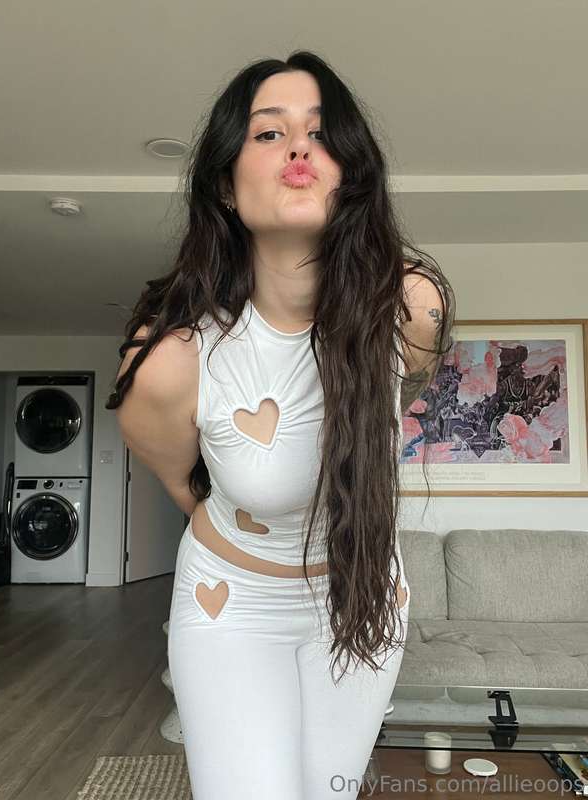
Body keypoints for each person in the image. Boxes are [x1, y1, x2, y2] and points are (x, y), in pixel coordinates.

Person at [107, 50, 455, 800]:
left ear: (351, 174)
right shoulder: (169, 361)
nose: (299, 148)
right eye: (269, 133)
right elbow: (187, 487)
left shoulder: (410, 308)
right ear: (225, 185)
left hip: (364, 595)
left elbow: (404, 396)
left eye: (321, 133)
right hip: (231, 604)